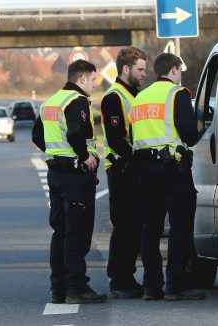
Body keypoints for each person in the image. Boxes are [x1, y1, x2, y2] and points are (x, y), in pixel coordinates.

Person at [32, 59, 107, 304]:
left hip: (56, 173)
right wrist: (85, 156)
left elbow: (36, 135)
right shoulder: (77, 102)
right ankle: (77, 288)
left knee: (61, 231)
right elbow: (76, 133)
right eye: (93, 80)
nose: (95, 85)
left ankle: (59, 289)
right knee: (78, 232)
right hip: (75, 176)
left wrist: (57, 153)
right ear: (82, 78)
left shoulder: (51, 102)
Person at [130, 53, 203, 301]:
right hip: (172, 170)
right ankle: (176, 285)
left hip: (144, 171)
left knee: (150, 230)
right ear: (173, 70)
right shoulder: (177, 95)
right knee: (180, 227)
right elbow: (189, 134)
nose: (180, 74)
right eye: (179, 70)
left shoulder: (140, 98)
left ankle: (152, 286)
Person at [101, 46, 147, 299]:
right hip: (122, 170)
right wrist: (136, 159)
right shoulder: (114, 97)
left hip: (134, 170)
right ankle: (120, 280)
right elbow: (116, 138)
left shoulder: (133, 95)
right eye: (140, 69)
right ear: (126, 69)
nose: (144, 74)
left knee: (134, 226)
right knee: (125, 227)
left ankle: (126, 277)